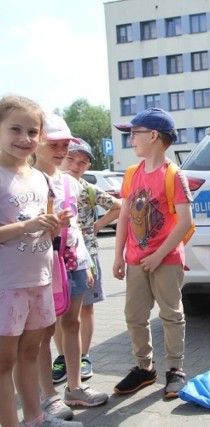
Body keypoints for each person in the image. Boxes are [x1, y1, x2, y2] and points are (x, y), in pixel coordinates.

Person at [0, 96, 84, 427]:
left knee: (31, 354)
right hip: (7, 285)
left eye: (32, 131)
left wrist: (55, 223)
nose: (24, 138)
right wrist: (27, 226)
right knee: (4, 362)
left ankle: (35, 419)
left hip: (40, 281)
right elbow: (23, 227)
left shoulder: (40, 178)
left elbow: (46, 229)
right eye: (14, 129)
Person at [111, 108, 194, 399]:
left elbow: (185, 221)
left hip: (166, 259)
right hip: (135, 260)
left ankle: (175, 369)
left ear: (154, 136)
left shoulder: (173, 175)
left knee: (171, 314)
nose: (131, 139)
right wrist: (118, 254)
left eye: (135, 133)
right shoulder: (132, 174)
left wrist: (159, 255)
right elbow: (123, 217)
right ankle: (144, 369)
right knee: (134, 315)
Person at [34, 113, 109, 419]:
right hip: (39, 264)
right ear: (39, 142)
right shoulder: (28, 179)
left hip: (73, 262)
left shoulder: (71, 183)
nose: (61, 149)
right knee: (41, 331)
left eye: (65, 143)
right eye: (54, 143)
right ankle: (48, 395)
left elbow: (75, 225)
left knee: (73, 323)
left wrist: (86, 262)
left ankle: (75, 388)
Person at [50, 140, 121, 382]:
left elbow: (118, 206)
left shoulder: (88, 189)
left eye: (82, 162)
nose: (75, 166)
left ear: (89, 165)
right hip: (57, 257)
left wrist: (97, 225)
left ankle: (83, 356)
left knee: (86, 308)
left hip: (86, 256)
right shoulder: (51, 185)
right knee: (60, 310)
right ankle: (62, 357)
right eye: (70, 159)